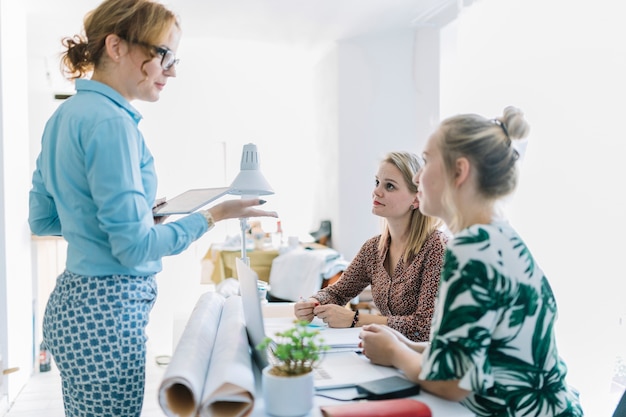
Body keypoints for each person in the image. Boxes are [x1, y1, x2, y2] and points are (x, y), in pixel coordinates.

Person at [27, 1, 277, 416]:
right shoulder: (112, 124)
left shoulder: (65, 116)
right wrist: (213, 215)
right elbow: (133, 248)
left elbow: (45, 218)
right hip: (106, 314)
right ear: (116, 47)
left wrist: (138, 215)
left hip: (72, 307)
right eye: (164, 54)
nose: (172, 70)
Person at [359, 107, 583, 416]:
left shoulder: (471, 248)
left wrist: (395, 352)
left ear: (459, 171)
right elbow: (480, 353)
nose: (416, 176)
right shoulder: (499, 236)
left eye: (426, 161)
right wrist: (406, 344)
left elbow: (453, 382)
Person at [294, 151, 447, 342]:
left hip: (423, 361)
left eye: (389, 186)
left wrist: (355, 319)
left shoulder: (437, 248)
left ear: (416, 199)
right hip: (386, 354)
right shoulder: (373, 248)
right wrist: (312, 302)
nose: (376, 192)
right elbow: (338, 292)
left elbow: (424, 328)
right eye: (377, 183)